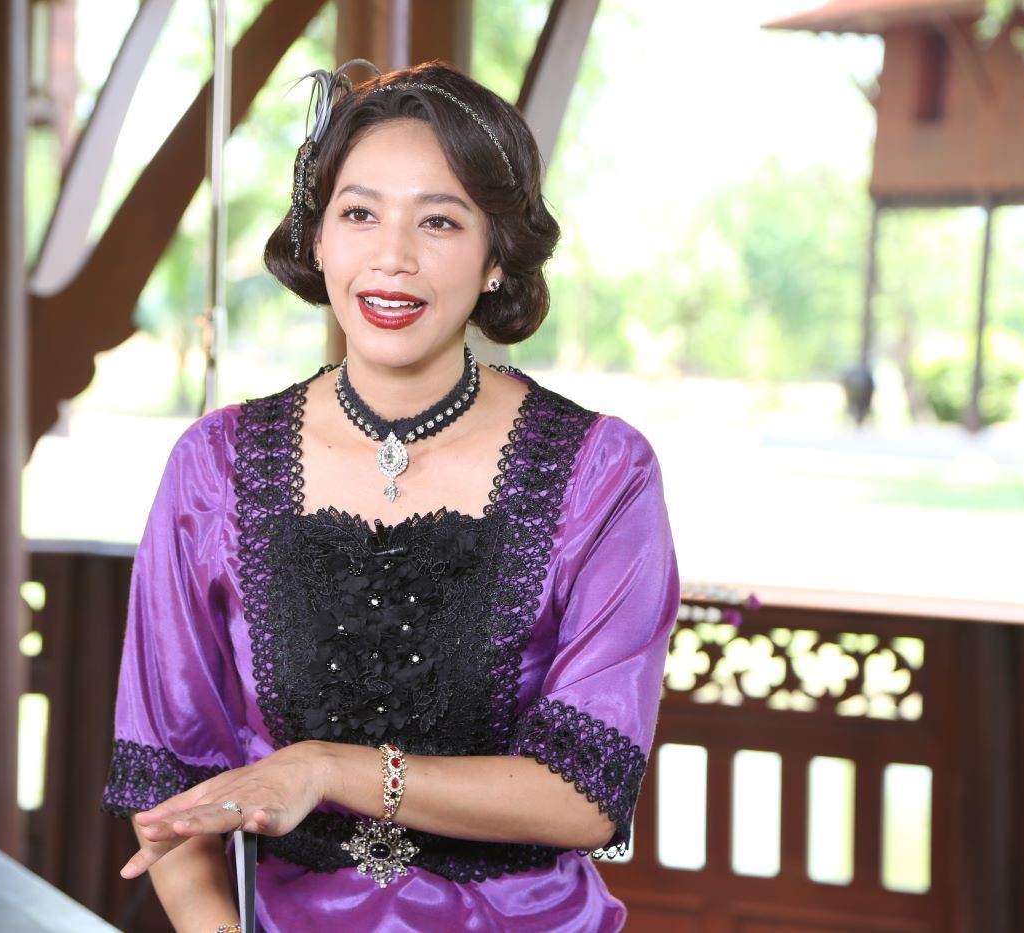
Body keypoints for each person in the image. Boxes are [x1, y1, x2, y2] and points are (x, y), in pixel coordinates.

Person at [101, 59, 678, 933]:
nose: (392, 258)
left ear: (496, 257)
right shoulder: (213, 467)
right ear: (317, 239)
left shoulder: (602, 472)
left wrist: (327, 768)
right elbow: (169, 778)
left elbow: (588, 789)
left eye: (439, 220)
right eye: (359, 213)